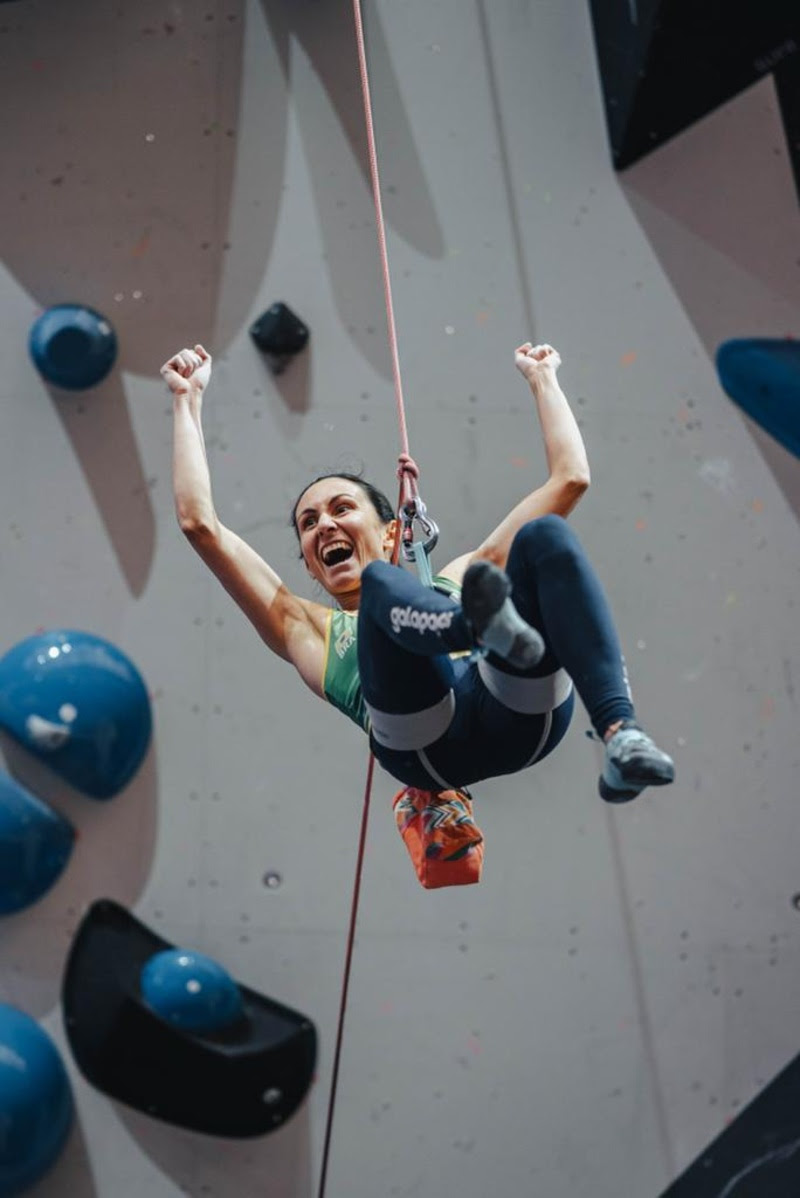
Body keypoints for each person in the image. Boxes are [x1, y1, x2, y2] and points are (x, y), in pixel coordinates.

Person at [163, 340, 674, 882]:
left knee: (545, 536)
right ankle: (476, 630)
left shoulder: (456, 577)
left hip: (515, 709)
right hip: (428, 744)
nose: (325, 527)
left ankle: (621, 733)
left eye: (340, 509)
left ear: (392, 533)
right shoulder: (306, 629)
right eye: (309, 524)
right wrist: (186, 402)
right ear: (311, 568)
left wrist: (543, 378)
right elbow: (201, 525)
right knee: (381, 585)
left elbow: (569, 479)